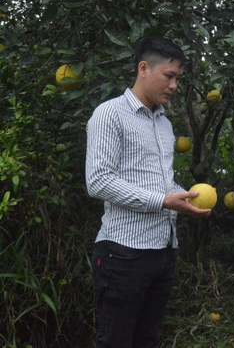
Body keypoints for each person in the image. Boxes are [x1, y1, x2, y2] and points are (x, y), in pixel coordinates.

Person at [85, 37, 211, 348]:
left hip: (163, 250)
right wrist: (162, 201)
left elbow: (163, 184)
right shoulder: (109, 113)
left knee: (147, 340)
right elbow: (98, 180)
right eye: (169, 76)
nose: (174, 86)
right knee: (115, 341)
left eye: (177, 79)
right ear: (144, 68)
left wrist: (185, 197)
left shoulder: (164, 124)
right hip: (123, 251)